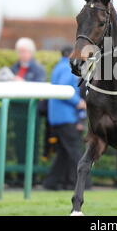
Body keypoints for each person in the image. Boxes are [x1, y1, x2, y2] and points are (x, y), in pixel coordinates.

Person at [43, 45, 86, 190]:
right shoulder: (68, 68)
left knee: (63, 152)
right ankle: (82, 183)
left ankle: (51, 182)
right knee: (75, 151)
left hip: (56, 117)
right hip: (66, 117)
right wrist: (78, 102)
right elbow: (63, 88)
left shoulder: (58, 67)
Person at [8, 37, 46, 186]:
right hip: (16, 112)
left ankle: (32, 177)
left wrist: (23, 84)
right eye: (20, 51)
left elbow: (40, 89)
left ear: (31, 52)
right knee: (18, 145)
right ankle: (20, 177)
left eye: (24, 51)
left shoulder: (38, 69)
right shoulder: (14, 68)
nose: (22, 54)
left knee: (32, 144)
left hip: (32, 114)